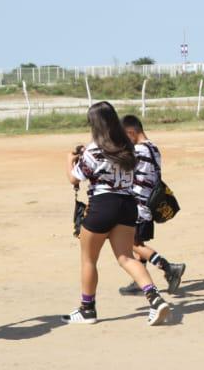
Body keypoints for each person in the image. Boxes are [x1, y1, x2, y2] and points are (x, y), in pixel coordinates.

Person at [65, 102, 173, 326]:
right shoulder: (129, 147)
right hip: (127, 204)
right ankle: (155, 299)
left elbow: (75, 177)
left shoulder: (94, 148)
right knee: (126, 258)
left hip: (102, 204)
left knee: (88, 259)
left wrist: (69, 160)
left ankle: (87, 309)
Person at [118, 115, 185, 296]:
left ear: (131, 133)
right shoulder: (153, 148)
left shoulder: (139, 151)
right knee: (138, 242)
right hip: (148, 204)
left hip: (138, 205)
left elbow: (120, 165)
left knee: (129, 243)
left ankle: (169, 268)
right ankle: (139, 280)